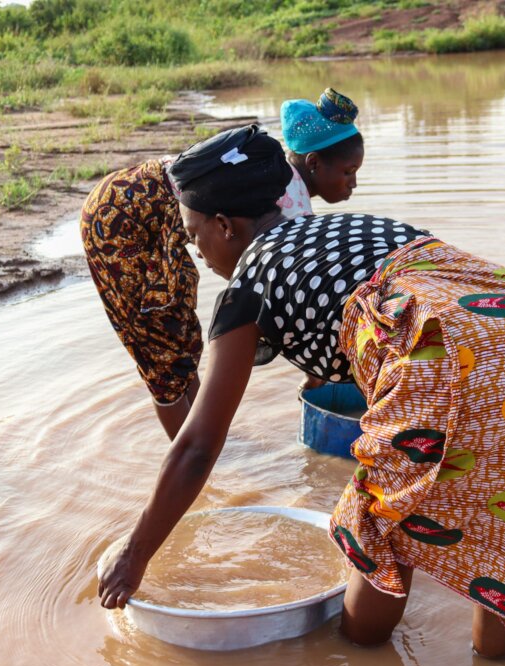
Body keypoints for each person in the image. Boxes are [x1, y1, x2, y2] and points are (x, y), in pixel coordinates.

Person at [96, 126, 505, 658]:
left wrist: (134, 555)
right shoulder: (350, 228)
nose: (198, 252)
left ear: (223, 225)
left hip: (442, 347)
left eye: (195, 235)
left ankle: (358, 660)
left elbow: (197, 447)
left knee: (379, 525)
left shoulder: (248, 287)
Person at [80, 88, 363, 438]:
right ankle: (195, 458)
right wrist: (314, 374)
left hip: (153, 216)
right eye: (349, 171)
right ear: (314, 164)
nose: (353, 183)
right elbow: (284, 301)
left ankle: (209, 452)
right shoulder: (288, 207)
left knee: (183, 338)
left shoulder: (284, 185)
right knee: (159, 354)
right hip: (120, 219)